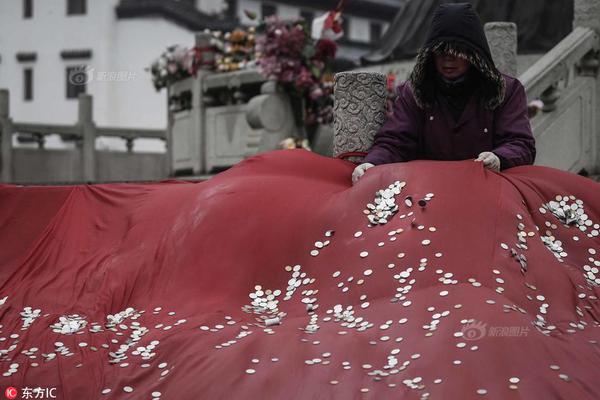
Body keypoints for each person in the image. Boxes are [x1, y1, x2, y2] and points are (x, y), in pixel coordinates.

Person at [352, 3, 536, 184]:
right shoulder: (415, 91)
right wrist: (372, 163)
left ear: (474, 55)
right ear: (430, 56)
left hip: (489, 185)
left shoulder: (506, 90)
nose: (448, 59)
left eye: (457, 52)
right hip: (426, 189)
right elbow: (395, 141)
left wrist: (499, 158)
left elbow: (520, 143)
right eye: (440, 52)